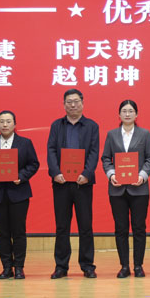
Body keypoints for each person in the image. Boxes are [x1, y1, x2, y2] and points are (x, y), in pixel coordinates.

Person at [0, 111, 40, 280]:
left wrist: (22, 176)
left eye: (8, 121)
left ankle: (19, 267)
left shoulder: (25, 143)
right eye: (1, 121)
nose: (5, 124)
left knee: (19, 231)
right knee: (2, 232)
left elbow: (34, 164)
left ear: (15, 124)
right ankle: (6, 267)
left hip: (19, 193)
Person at [47, 88, 100, 279]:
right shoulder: (56, 125)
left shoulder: (92, 126)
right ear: (64, 105)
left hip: (82, 183)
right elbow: (51, 150)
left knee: (85, 225)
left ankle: (87, 265)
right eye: (69, 102)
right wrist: (55, 172)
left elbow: (94, 151)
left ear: (82, 103)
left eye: (76, 101)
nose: (73, 105)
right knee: (62, 226)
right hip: (61, 182)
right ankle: (61, 266)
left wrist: (87, 173)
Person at [101, 100, 150, 278]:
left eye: (131, 111)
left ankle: (138, 265)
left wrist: (143, 175)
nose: (127, 114)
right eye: (124, 111)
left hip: (139, 189)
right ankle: (124, 266)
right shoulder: (111, 135)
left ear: (136, 114)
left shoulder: (144, 134)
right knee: (121, 228)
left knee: (139, 228)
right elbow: (106, 158)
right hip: (117, 189)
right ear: (119, 114)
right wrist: (111, 174)